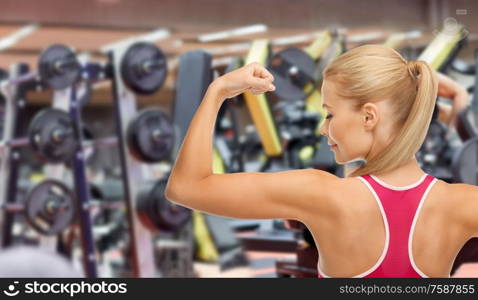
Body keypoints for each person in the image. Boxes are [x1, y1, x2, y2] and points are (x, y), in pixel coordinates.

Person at [165, 44, 478, 278]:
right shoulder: (462, 203)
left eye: (330, 113)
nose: (323, 127)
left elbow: (186, 187)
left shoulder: (322, 194)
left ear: (369, 116)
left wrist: (217, 90)